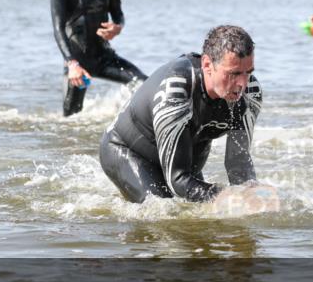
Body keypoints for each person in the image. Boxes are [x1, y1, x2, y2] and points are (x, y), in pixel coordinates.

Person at [100, 25, 263, 204]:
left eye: (248, 73)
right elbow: (177, 179)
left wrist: (251, 195)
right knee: (162, 210)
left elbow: (238, 165)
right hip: (127, 150)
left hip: (184, 153)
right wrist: (225, 196)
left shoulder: (250, 94)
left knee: (197, 216)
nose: (242, 83)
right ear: (208, 65)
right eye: (234, 74)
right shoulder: (178, 88)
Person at [51, 0, 146, 116]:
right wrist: (72, 64)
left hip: (104, 57)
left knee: (143, 84)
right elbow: (58, 28)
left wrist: (117, 27)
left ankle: (129, 119)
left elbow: (118, 15)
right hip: (78, 63)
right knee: (71, 117)